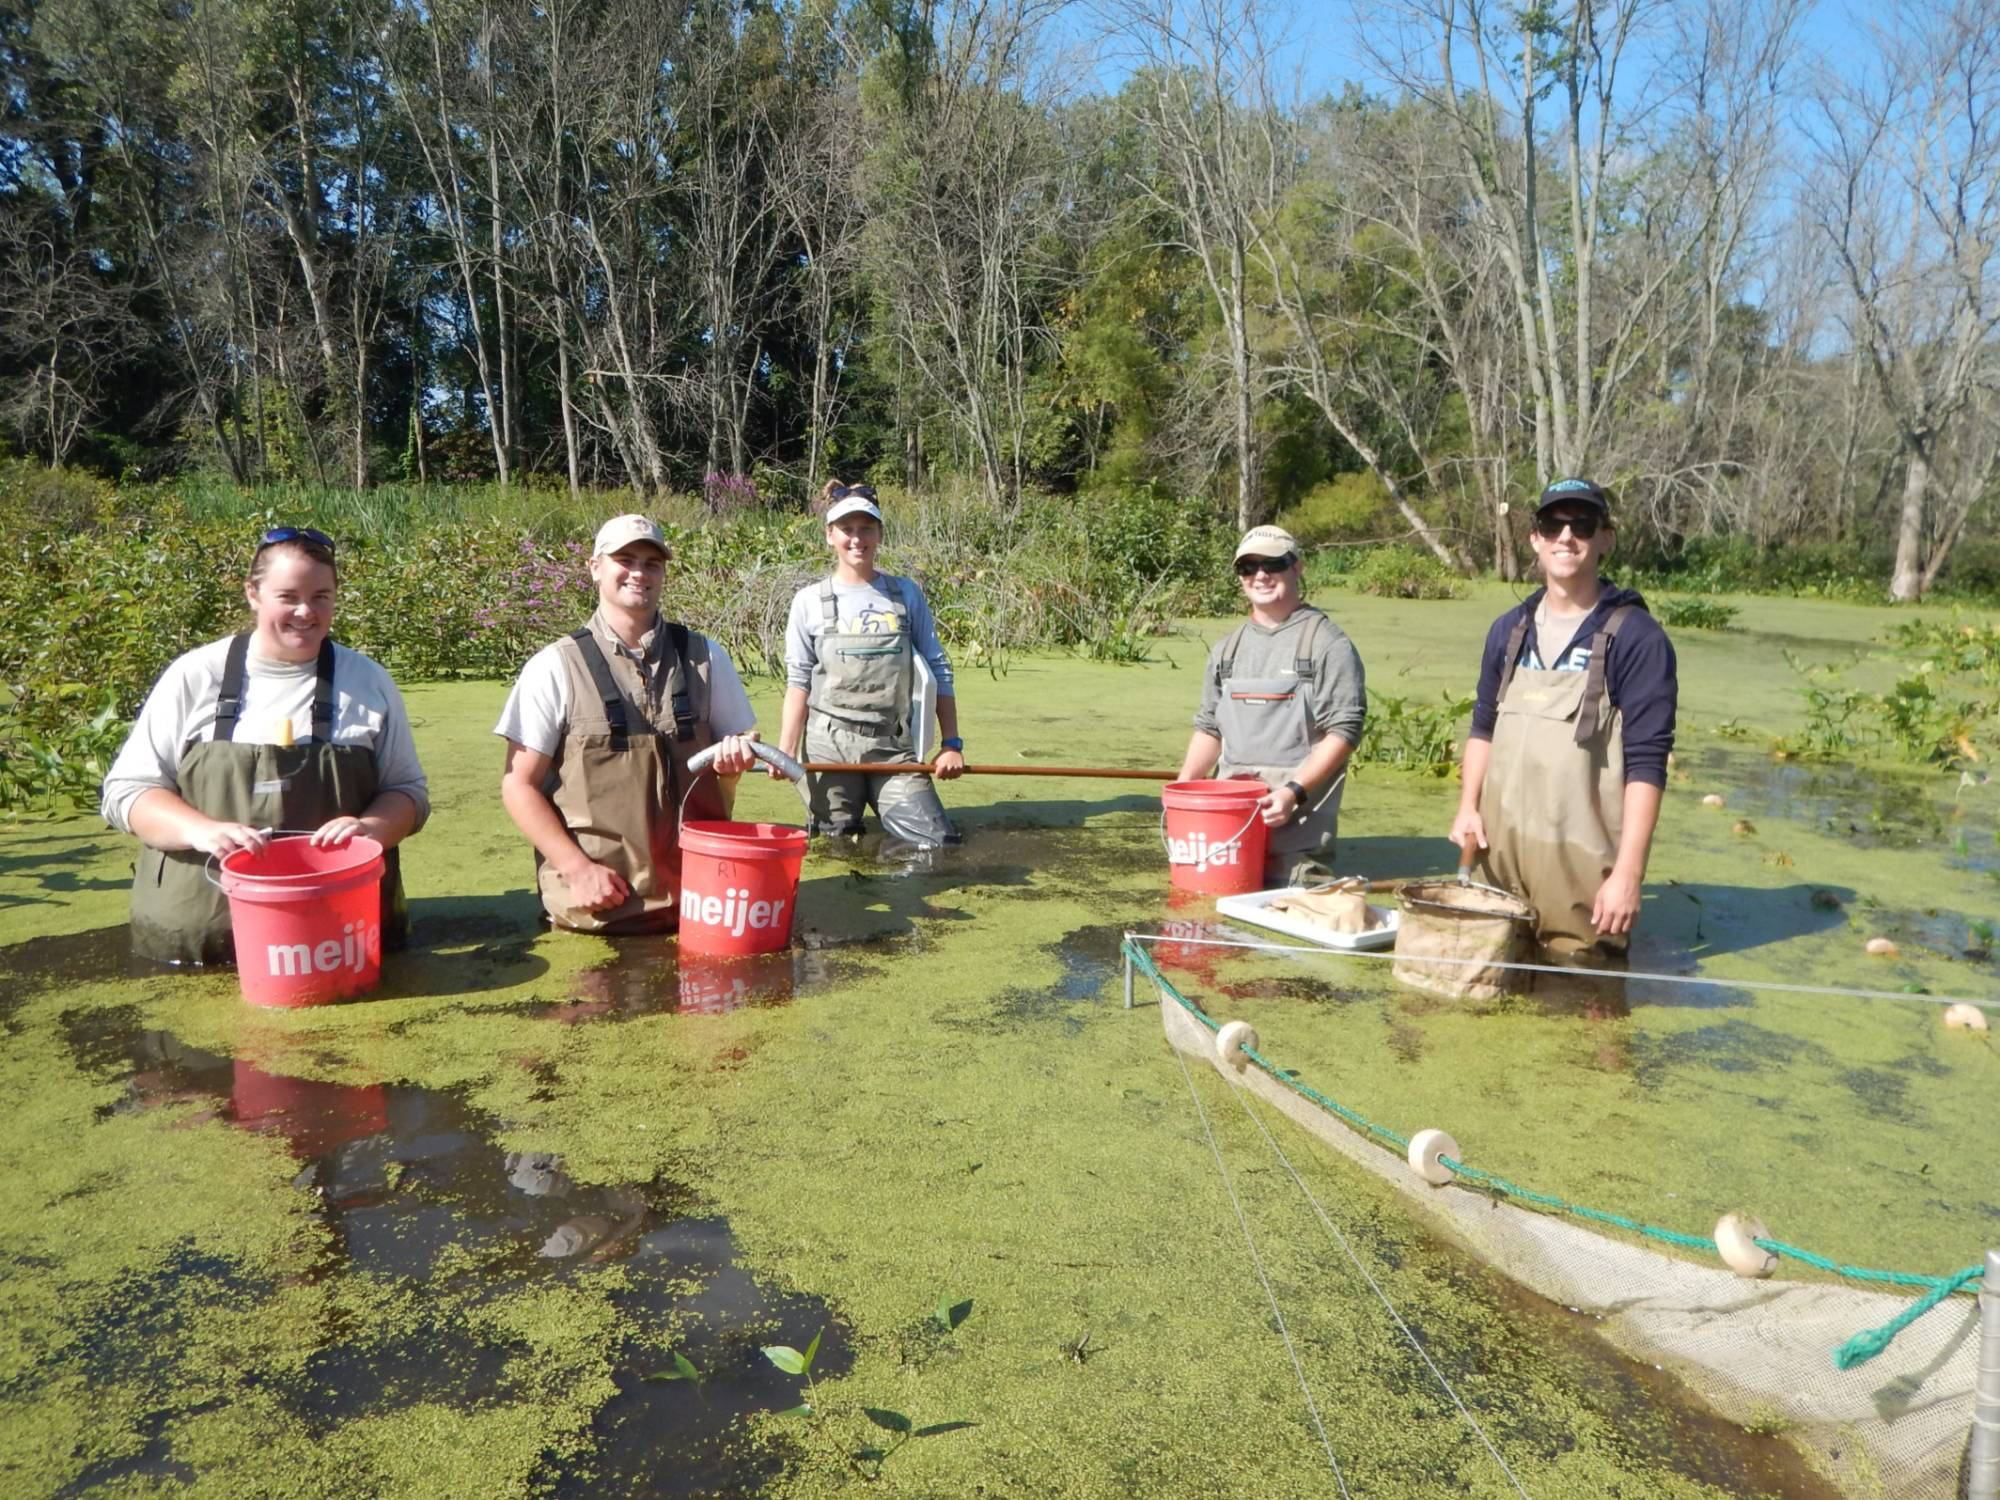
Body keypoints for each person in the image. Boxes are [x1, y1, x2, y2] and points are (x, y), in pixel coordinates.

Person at [101, 526, 428, 964]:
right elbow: (127, 793)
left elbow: (407, 792)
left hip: (340, 946)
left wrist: (370, 830)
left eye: (321, 596)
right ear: (253, 594)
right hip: (196, 944)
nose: (305, 612)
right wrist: (202, 830)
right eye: (287, 596)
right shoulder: (195, 676)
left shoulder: (368, 681)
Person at [496, 515, 761, 934]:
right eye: (625, 559)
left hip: (702, 906)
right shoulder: (553, 666)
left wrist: (735, 760)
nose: (639, 572)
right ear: (595, 567)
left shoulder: (709, 658)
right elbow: (518, 785)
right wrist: (577, 870)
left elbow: (741, 746)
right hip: (597, 912)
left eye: (652, 563)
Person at [1449, 478, 1678, 962]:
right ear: (1535, 538)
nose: (1566, 537)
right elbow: (1483, 727)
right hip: (1499, 859)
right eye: (1553, 525)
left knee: (1581, 1007)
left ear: (1605, 539)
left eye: (1583, 524)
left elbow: (1647, 764)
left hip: (1581, 871)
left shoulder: (1638, 638)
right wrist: (1468, 805)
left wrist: (1629, 874)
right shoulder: (1508, 630)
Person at [1178, 525, 1366, 887]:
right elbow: (1209, 728)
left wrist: (1292, 793)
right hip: (1226, 839)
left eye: (1273, 564)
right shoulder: (1225, 651)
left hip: (1298, 848)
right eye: (1248, 567)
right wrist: (1184, 790)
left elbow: (1344, 732)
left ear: (1297, 567)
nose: (1260, 575)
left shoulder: (1329, 645)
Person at [776, 481, 963, 844]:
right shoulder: (808, 601)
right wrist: (785, 749)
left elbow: (939, 668)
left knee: (935, 844)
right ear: (830, 535)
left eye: (866, 528)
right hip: (828, 750)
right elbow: (798, 681)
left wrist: (952, 743)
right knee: (838, 846)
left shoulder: (907, 593)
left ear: (880, 533)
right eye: (847, 529)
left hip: (894, 748)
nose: (857, 538)